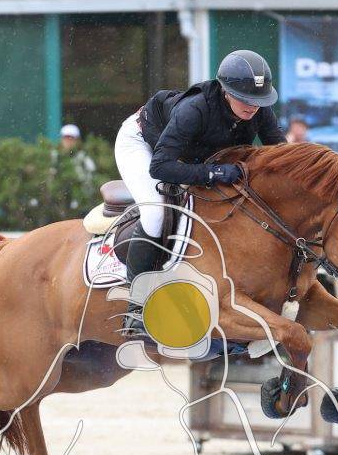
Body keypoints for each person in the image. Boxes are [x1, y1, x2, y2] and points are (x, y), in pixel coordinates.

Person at [113, 49, 285, 293]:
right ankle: (137, 298)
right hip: (143, 142)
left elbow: (282, 156)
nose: (253, 106)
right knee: (156, 214)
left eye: (259, 99)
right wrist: (212, 173)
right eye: (245, 98)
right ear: (226, 91)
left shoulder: (259, 109)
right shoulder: (194, 109)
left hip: (184, 153)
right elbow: (160, 166)